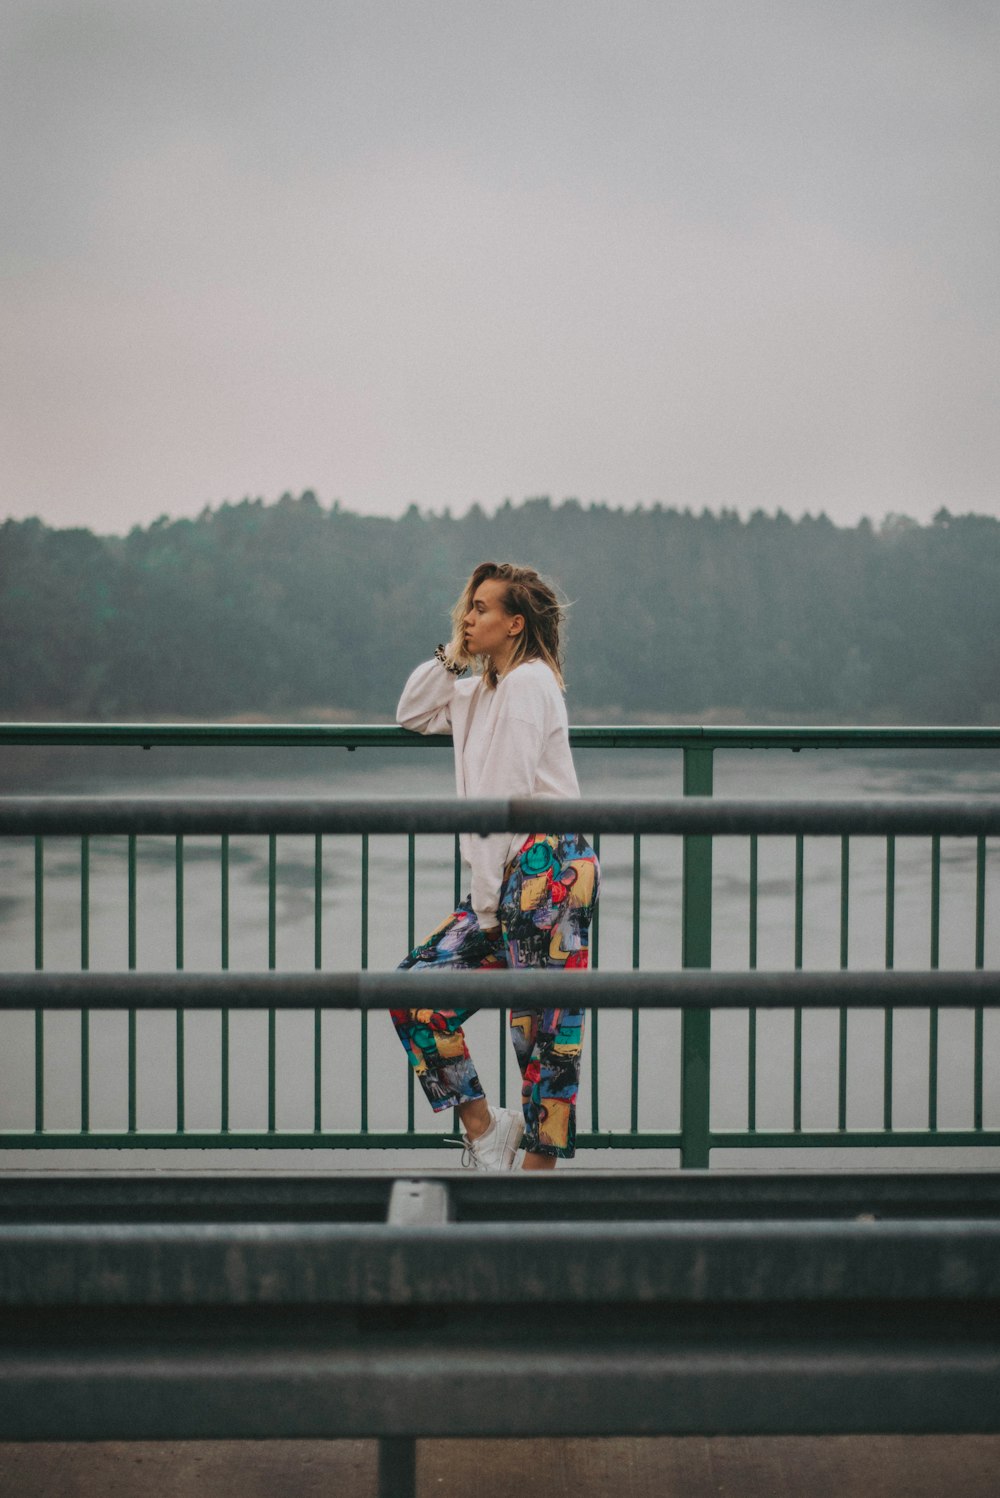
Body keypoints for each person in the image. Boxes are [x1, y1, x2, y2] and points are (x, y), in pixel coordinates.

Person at [391, 561, 600, 1171]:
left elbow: (504, 798)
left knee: (543, 1035)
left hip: (548, 865)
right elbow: (411, 711)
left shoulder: (530, 684)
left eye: (481, 609)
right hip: (506, 875)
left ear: (514, 624)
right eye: (467, 605)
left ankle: (535, 1182)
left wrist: (484, 904)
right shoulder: (481, 691)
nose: (468, 615)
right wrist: (454, 653)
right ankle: (486, 1130)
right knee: (411, 993)